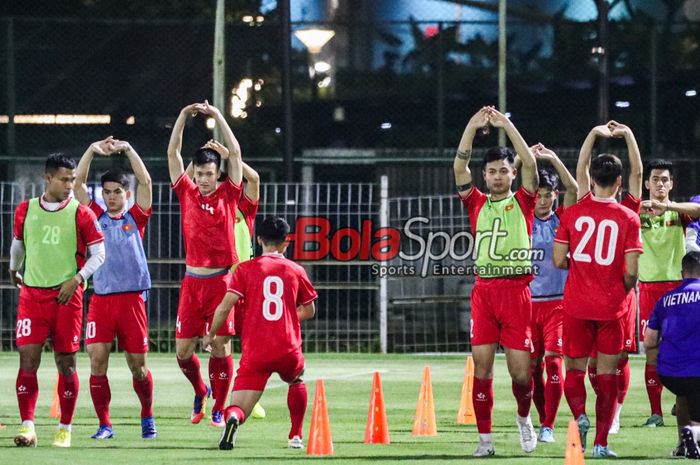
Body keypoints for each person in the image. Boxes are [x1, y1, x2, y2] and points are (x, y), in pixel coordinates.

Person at [454, 106, 539, 456]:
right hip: (485, 293)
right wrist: (472, 126)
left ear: (512, 174)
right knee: (482, 368)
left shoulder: (524, 200)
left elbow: (531, 165)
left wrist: (506, 123)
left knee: (521, 374)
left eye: (504, 170)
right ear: (485, 177)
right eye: (492, 172)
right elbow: (459, 166)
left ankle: (523, 418)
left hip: (517, 292)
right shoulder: (476, 202)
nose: (498, 176)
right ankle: (484, 441)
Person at [10, 153, 105, 448]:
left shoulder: (81, 213)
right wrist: (14, 269)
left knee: (66, 363)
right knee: (28, 360)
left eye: (73, 179)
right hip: (32, 296)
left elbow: (99, 254)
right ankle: (28, 427)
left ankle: (65, 427)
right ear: (48, 178)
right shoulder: (25, 210)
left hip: (67, 298)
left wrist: (76, 279)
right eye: (64, 179)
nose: (70, 184)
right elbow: (18, 245)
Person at [553, 151, 643, 458]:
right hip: (611, 307)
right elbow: (632, 271)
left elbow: (557, 259)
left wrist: (580, 269)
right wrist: (621, 290)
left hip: (576, 304)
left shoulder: (573, 214)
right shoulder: (628, 218)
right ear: (619, 182)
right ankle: (602, 444)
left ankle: (580, 415)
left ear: (591, 180)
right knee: (607, 374)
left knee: (574, 370)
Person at [202, 217, 317, 451]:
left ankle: (232, 420)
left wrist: (211, 334)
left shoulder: (245, 269)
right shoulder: (296, 270)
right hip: (287, 346)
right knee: (296, 379)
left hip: (256, 350)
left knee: (238, 407)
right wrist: (287, 317)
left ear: (259, 240)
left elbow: (225, 306)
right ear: (287, 243)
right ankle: (295, 435)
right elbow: (309, 310)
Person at [73, 137, 157, 439]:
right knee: (97, 360)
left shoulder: (136, 217)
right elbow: (77, 184)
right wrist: (91, 150)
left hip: (132, 300)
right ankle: (105, 424)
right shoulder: (94, 216)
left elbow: (146, 181)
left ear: (126, 193)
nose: (110, 197)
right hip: (102, 300)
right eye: (106, 192)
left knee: (139, 367)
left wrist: (129, 149)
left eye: (116, 192)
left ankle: (147, 416)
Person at [167, 101, 243, 427]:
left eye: (209, 175)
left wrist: (218, 117)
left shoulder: (228, 193)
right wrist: (183, 114)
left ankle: (219, 407)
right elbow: (173, 154)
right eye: (199, 175)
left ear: (218, 173)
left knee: (219, 346)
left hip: (222, 282)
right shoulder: (186, 192)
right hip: (192, 281)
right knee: (182, 351)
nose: (203, 180)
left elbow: (236, 155)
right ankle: (201, 390)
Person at [576, 121, 643, 435]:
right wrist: (628, 135)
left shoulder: (582, 204)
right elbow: (638, 175)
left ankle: (611, 413)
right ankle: (608, 413)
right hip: (618, 296)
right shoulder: (629, 209)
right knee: (608, 361)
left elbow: (580, 170)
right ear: (619, 181)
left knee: (612, 360)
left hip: (588, 296)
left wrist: (592, 134)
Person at [637, 160, 700, 427]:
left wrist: (668, 205)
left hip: (677, 289)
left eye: (665, 179)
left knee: (684, 350)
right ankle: (656, 413)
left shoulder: (678, 213)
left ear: (671, 184)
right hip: (648, 287)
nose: (660, 183)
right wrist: (639, 207)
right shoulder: (636, 213)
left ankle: (683, 402)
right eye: (655, 179)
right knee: (651, 350)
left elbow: (698, 209)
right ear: (647, 183)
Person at [526, 144, 578, 444]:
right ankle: (541, 417)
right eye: (540, 195)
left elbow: (573, 186)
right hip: (526, 305)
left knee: (554, 362)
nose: (543, 200)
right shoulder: (522, 218)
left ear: (554, 197)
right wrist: (525, 159)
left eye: (549, 195)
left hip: (558, 303)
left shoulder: (563, 220)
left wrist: (553, 158)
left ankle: (548, 425)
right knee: (529, 369)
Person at [644, 252, 700, 460]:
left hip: (670, 372)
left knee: (683, 394)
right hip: (697, 370)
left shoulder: (665, 299)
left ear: (682, 273)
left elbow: (649, 341)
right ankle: (694, 433)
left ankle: (682, 445)